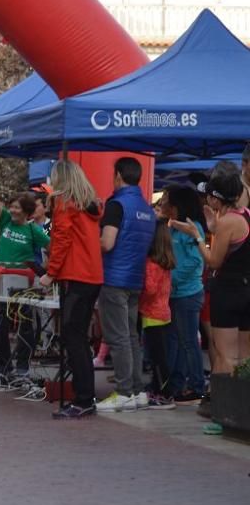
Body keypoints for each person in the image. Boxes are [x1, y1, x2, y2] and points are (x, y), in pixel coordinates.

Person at [170, 165, 250, 381]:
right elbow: (237, 243)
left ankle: (224, 406)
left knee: (226, 356)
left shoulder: (227, 222)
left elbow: (214, 262)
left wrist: (197, 236)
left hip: (228, 292)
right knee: (244, 357)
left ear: (215, 199)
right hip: (245, 288)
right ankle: (242, 405)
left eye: (208, 196)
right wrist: (213, 228)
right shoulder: (245, 215)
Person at [39, 160, 104, 419]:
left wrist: (51, 272)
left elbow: (62, 239)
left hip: (77, 275)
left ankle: (84, 397)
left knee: (73, 337)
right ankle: (84, 395)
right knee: (78, 337)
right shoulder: (88, 204)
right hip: (91, 275)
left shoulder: (65, 203)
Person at [0, 164, 50, 383]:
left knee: (26, 323)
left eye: (18, 208)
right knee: (1, 323)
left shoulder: (33, 230)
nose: (14, 210)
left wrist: (48, 271)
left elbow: (54, 248)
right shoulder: (6, 220)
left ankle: (22, 367)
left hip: (24, 282)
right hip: (2, 280)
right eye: (12, 206)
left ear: (27, 211)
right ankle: (3, 365)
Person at [97, 157, 155, 412]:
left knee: (118, 336)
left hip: (113, 278)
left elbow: (107, 243)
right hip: (135, 279)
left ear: (118, 174)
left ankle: (123, 392)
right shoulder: (146, 208)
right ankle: (136, 390)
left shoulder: (117, 204)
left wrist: (90, 241)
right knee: (131, 336)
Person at [159, 185, 206, 404]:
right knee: (177, 342)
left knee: (188, 342)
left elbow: (196, 261)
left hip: (188, 294)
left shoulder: (191, 228)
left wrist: (172, 279)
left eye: (169, 201)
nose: (165, 204)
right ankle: (176, 385)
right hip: (175, 294)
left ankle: (197, 386)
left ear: (178, 205)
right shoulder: (173, 228)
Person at [137, 220, 177, 410]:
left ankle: (164, 394)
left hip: (151, 313)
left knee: (156, 357)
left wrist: (138, 294)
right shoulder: (165, 261)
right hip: (163, 311)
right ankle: (159, 388)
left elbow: (150, 289)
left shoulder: (151, 263)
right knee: (160, 355)